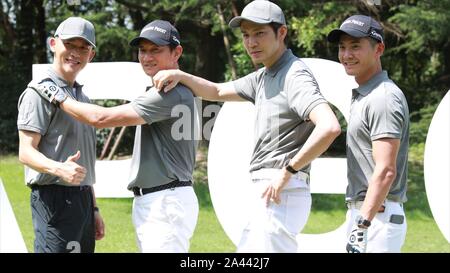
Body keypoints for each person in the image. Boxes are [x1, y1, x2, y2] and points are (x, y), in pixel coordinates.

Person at [153, 0, 341, 253]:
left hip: (281, 189)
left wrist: (287, 172)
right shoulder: (265, 75)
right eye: (246, 35)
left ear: (281, 32)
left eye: (260, 33)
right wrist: (181, 75)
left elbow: (329, 126)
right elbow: (218, 90)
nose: (251, 42)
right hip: (270, 190)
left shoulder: (294, 75)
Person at [29, 20, 199, 253]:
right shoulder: (173, 88)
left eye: (156, 50)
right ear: (53, 44)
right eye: (143, 50)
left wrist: (57, 96)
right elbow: (26, 150)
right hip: (162, 200)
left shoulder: (166, 93)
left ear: (176, 52)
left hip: (165, 202)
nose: (147, 57)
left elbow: (101, 119)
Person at [17, 17, 105, 253]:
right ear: (53, 44)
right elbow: (25, 152)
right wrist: (58, 168)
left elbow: (82, 162)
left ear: (91, 55)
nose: (75, 53)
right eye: (70, 44)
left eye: (83, 47)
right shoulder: (37, 93)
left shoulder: (82, 99)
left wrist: (93, 209)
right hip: (53, 198)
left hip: (83, 200)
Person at [327, 15, 409, 253]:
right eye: (342, 47)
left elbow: (385, 170)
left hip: (375, 220)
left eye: (355, 47)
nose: (346, 55)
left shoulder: (382, 98)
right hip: (371, 216)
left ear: (379, 49)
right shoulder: (367, 94)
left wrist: (362, 223)